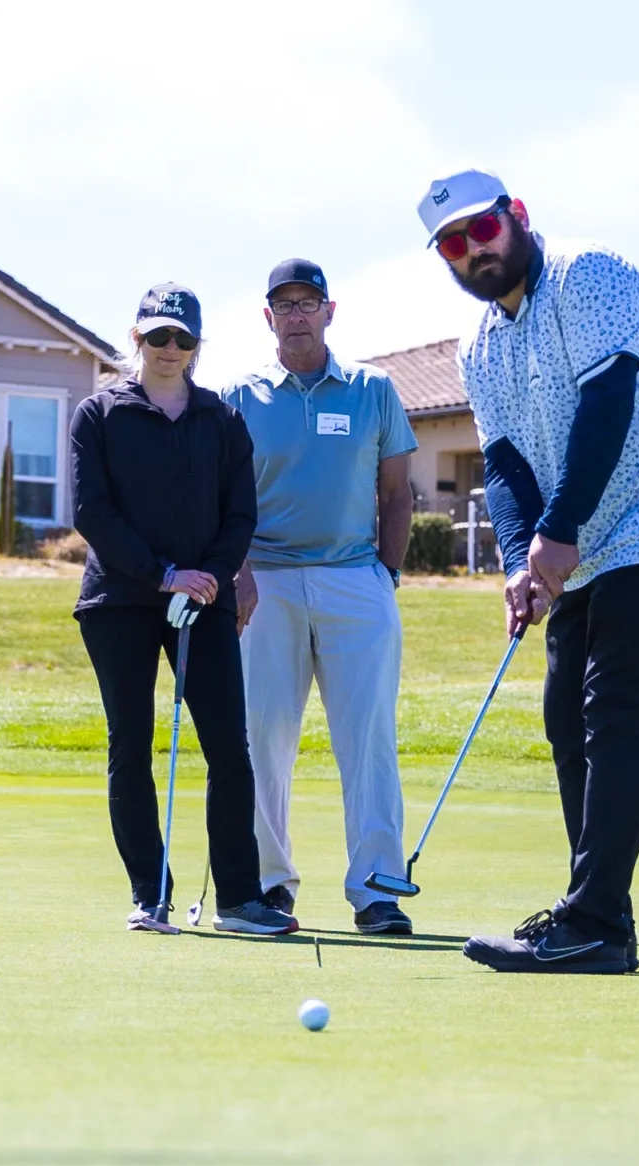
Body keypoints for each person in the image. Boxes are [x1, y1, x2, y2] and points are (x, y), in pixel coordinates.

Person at [416, 170, 639, 974]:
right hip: (590, 549)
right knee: (567, 717)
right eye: (454, 244)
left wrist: (556, 535)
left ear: (517, 216)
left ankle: (592, 919)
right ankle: (602, 922)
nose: (474, 251)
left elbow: (608, 409)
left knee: (616, 709)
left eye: (483, 230)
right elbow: (502, 461)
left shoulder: (588, 274)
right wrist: (524, 553)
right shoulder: (478, 344)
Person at [70, 282, 295, 937]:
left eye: (183, 338)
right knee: (130, 745)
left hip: (203, 600)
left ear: (198, 346)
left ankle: (240, 899)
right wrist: (163, 573)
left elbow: (240, 514)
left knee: (230, 745)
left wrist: (208, 577)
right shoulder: (98, 413)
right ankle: (150, 893)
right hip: (120, 600)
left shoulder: (221, 420)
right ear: (136, 337)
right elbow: (92, 512)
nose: (171, 348)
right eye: (158, 336)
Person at [221, 258, 422, 936]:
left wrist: (383, 575)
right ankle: (268, 884)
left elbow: (397, 493)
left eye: (310, 302)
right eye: (287, 303)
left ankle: (376, 889)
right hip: (264, 583)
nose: (299, 313)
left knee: (368, 740)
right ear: (268, 315)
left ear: (329, 311)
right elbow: (223, 501)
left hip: (354, 579)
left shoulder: (373, 389)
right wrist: (238, 570)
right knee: (260, 739)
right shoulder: (239, 398)